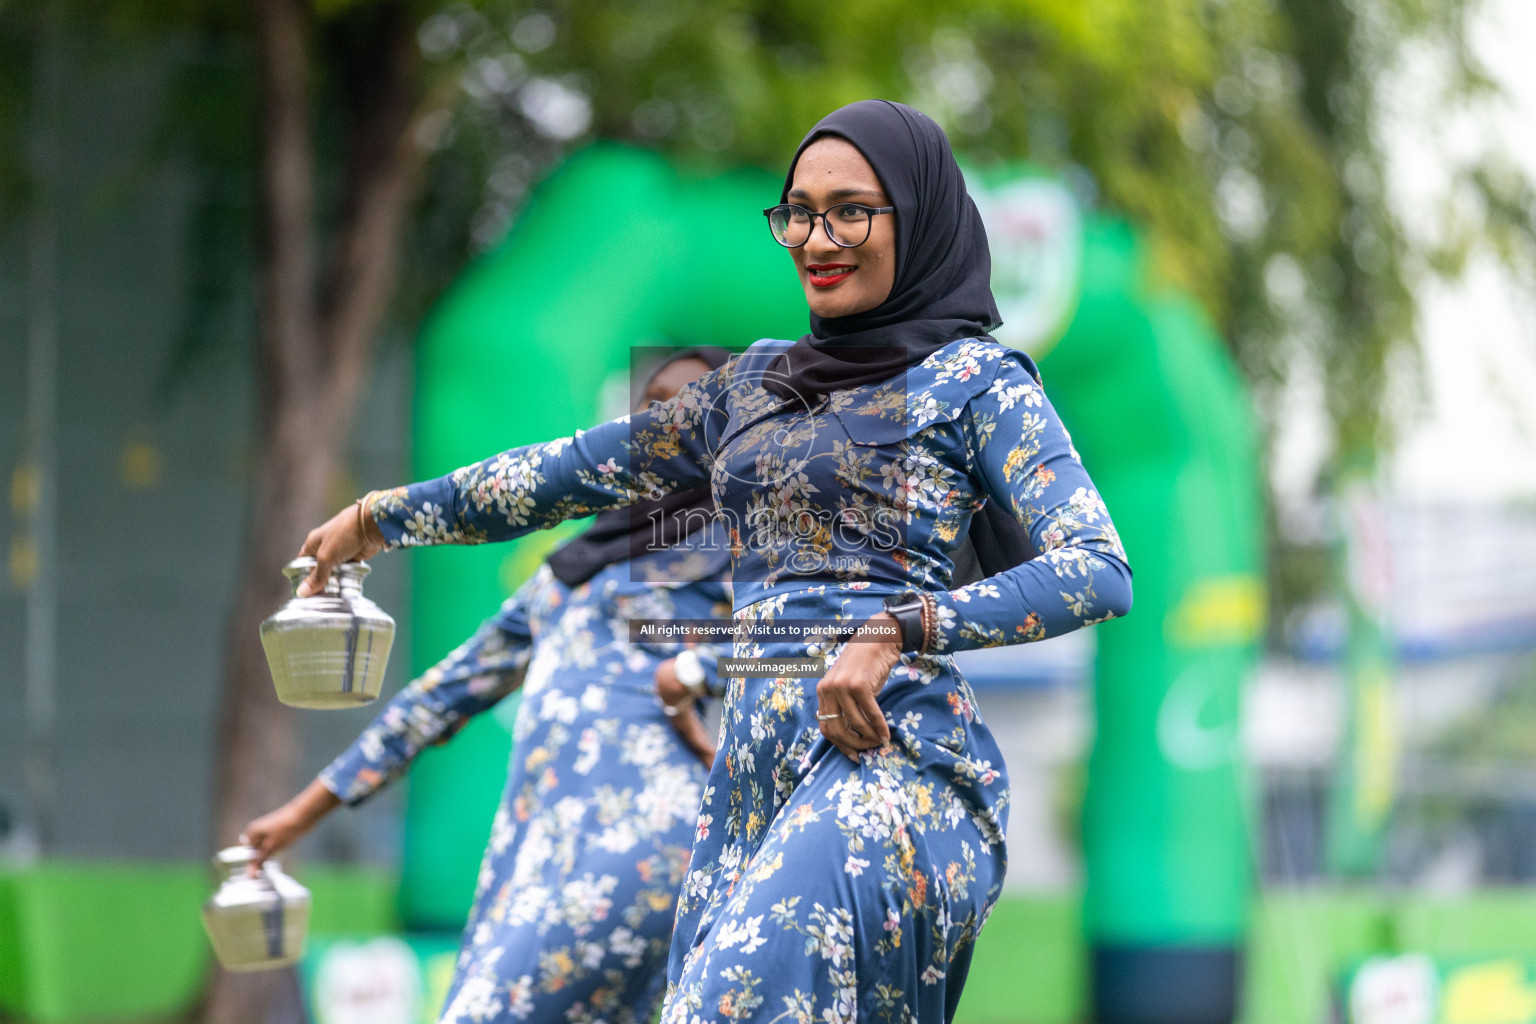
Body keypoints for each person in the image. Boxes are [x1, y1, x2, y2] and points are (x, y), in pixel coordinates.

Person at [296, 100, 1133, 1023]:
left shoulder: (976, 384)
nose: (818, 237)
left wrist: (903, 625)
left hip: (895, 774)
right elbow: (564, 472)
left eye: (852, 209)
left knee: (722, 1007)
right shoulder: (750, 391)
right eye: (798, 213)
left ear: (920, 216)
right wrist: (384, 517)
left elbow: (1097, 568)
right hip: (749, 794)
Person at [242, 349, 734, 1024]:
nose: (659, 426)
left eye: (685, 412)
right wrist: (302, 813)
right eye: (649, 409)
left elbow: (814, 642)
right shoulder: (573, 569)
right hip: (541, 845)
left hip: (646, 840)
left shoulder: (731, 543)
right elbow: (441, 697)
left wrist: (694, 672)